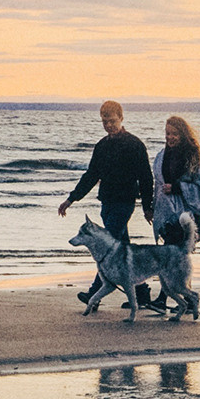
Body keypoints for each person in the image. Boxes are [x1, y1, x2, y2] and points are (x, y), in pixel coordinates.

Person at [58, 100, 154, 305]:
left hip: (125, 202)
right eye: (104, 122)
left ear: (121, 118)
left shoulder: (134, 145)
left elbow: (146, 177)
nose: (109, 125)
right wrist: (71, 199)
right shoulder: (102, 146)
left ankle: (95, 293)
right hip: (107, 202)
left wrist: (148, 207)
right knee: (123, 245)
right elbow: (91, 175)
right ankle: (142, 292)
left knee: (108, 247)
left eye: (112, 121)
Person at [151, 115, 200, 251]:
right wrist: (151, 207)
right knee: (172, 254)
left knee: (175, 254)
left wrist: (177, 188)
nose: (170, 137)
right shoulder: (161, 156)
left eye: (174, 134)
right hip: (167, 213)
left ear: (183, 135)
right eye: (167, 133)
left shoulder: (192, 156)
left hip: (186, 215)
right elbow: (158, 184)